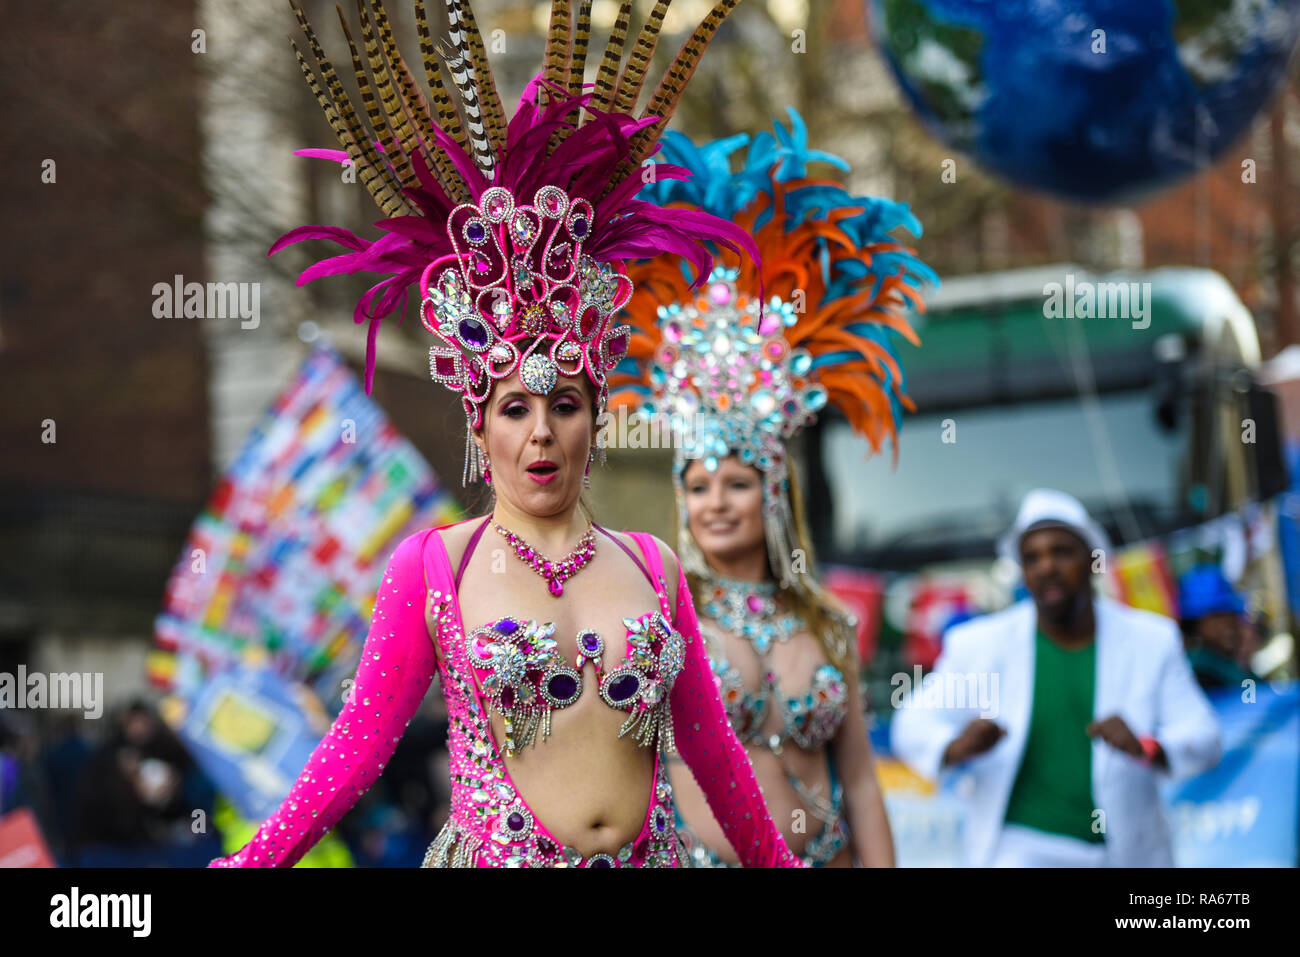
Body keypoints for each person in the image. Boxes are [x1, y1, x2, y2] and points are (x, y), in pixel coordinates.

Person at [209, 0, 801, 868]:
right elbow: (356, 752)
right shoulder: (432, 568)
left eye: (564, 404)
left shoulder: (653, 565)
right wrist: (250, 862)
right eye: (515, 409)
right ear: (478, 425)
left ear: (596, 419)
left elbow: (714, 756)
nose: (541, 434)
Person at [610, 112, 934, 866]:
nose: (715, 500)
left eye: (736, 482)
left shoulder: (823, 619)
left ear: (775, 494)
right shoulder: (660, 613)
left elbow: (859, 774)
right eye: (697, 485)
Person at [890, 489, 1222, 866]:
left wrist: (1146, 747)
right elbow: (911, 724)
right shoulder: (980, 644)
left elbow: (1204, 736)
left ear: (1093, 561)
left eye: (1061, 552)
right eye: (1032, 558)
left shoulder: (1152, 640)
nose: (1046, 566)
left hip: (1124, 852)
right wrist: (957, 746)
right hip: (1018, 849)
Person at [1177, 563, 1258, 691]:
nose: (1228, 626)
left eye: (1231, 615)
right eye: (1217, 617)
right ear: (1195, 624)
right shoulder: (1201, 671)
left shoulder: (1226, 662)